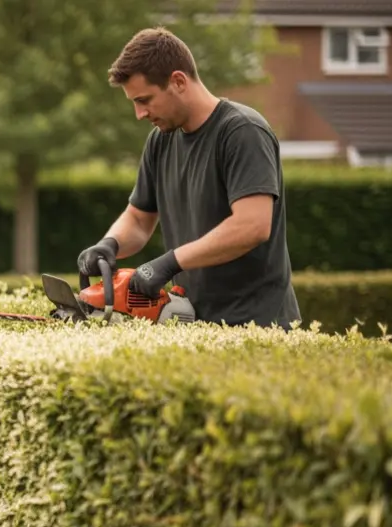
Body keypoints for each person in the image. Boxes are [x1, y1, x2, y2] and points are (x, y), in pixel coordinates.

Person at [76, 27, 301, 329]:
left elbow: (253, 225)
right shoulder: (160, 140)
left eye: (144, 100)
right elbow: (140, 219)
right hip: (194, 322)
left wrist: (170, 262)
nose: (139, 114)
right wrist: (109, 244)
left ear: (178, 81)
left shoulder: (242, 131)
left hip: (257, 326)